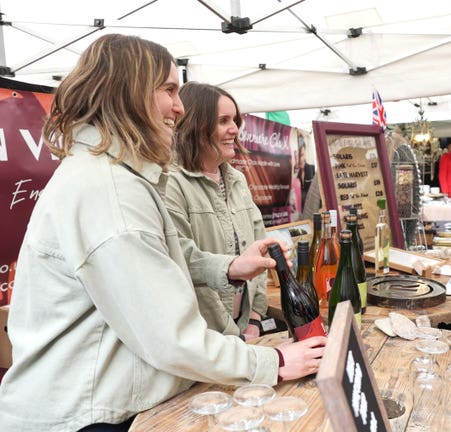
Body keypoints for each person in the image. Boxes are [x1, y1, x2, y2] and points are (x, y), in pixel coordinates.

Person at [0, 34, 326, 431]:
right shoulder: (111, 189)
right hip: (86, 417)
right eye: (169, 89)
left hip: (100, 402)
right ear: (130, 91)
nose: (179, 106)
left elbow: (156, 261)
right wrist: (272, 362)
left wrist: (230, 268)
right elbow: (171, 336)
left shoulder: (116, 175)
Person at [165, 82, 271, 340]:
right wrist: (231, 336)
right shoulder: (170, 183)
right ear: (195, 126)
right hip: (204, 338)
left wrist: (255, 318)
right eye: (223, 121)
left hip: (244, 329)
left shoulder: (237, 180)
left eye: (234, 120)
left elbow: (260, 250)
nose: (234, 129)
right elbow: (180, 262)